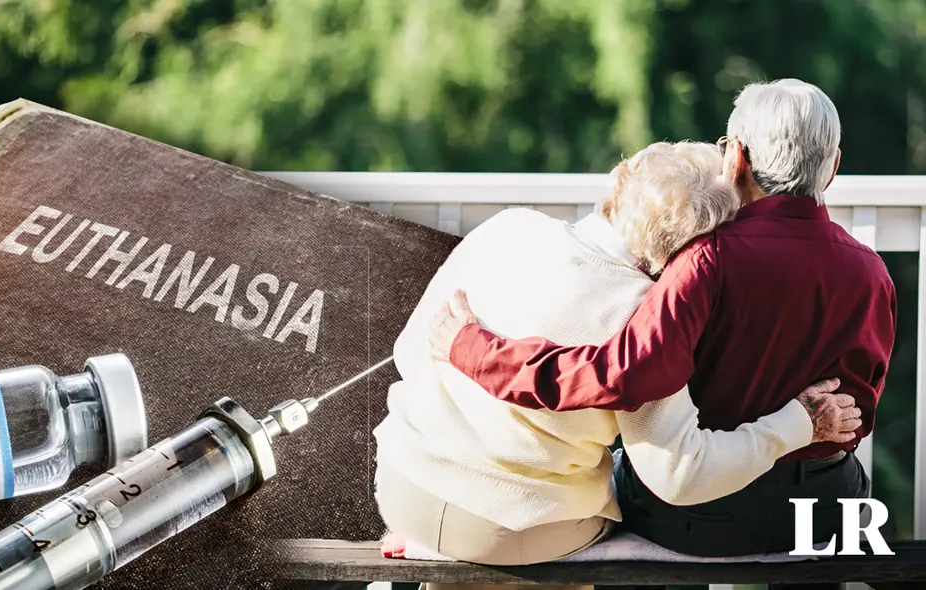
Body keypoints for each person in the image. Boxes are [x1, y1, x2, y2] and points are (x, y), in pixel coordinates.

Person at [429, 79, 897, 558]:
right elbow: (857, 407)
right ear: (833, 167)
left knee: (615, 476)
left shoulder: (706, 260)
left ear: (736, 157)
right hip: (820, 507)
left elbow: (620, 375)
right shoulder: (872, 272)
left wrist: (477, 351)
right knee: (847, 490)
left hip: (702, 514)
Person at [373, 141, 862, 590]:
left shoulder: (509, 226)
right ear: (696, 250)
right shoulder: (645, 319)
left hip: (405, 487)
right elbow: (682, 475)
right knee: (614, 510)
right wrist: (797, 424)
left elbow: (409, 352)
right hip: (514, 528)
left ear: (622, 179)